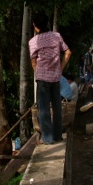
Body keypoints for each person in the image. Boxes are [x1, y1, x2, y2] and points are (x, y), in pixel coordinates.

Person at [29, 13, 72, 144]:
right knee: (57, 108)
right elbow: (68, 52)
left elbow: (33, 62)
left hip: (42, 78)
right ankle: (58, 135)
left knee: (43, 109)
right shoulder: (56, 36)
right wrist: (60, 68)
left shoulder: (33, 41)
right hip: (56, 77)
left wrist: (38, 73)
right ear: (47, 23)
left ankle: (47, 138)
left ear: (35, 26)